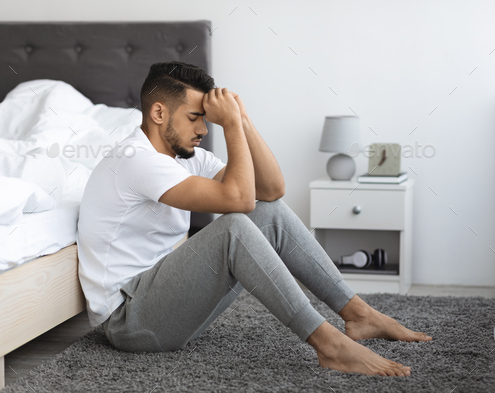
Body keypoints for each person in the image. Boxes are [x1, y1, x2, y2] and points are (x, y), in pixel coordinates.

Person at [77, 61, 432, 378]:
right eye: (194, 117)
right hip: (128, 321)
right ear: (158, 113)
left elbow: (271, 191)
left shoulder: (184, 157)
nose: (203, 128)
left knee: (270, 214)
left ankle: (358, 313)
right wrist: (230, 124)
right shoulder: (136, 159)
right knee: (234, 227)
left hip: (162, 301)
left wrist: (243, 120)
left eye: (206, 117)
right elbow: (239, 201)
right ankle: (329, 345)